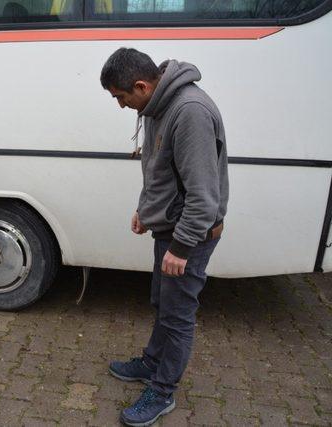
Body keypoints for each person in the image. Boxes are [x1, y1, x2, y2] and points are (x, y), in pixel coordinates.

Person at [100, 48, 229, 426]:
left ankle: (162, 390)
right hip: (169, 227)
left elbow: (204, 195)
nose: (122, 106)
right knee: (161, 300)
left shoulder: (189, 112)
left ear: (141, 85)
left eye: (122, 97)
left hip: (189, 234)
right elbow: (158, 168)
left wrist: (182, 246)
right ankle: (151, 362)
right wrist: (146, 209)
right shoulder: (156, 106)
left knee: (177, 316)